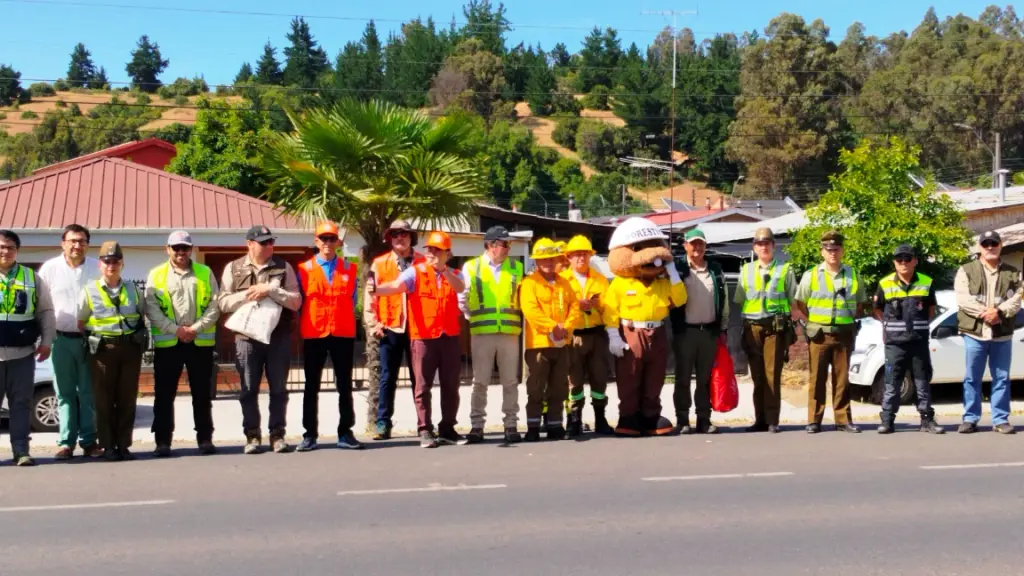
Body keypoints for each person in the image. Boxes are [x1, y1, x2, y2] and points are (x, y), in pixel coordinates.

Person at [372, 231, 466, 448]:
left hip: (449, 336)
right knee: (422, 387)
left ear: (447, 253)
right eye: (429, 249)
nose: (431, 253)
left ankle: (448, 429)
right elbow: (396, 286)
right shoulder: (415, 272)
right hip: (423, 338)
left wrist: (443, 271)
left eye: (437, 250)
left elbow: (460, 288)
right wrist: (376, 290)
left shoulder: (455, 273)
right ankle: (425, 429)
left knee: (451, 386)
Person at [218, 225, 302, 454]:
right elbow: (222, 302)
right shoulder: (233, 268)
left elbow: (296, 301)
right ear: (249, 244)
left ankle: (277, 436)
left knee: (278, 389)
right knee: (248, 389)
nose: (269, 246)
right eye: (264, 242)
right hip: (246, 338)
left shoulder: (284, 267)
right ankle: (252, 436)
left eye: (271, 242)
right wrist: (247, 294)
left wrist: (270, 290)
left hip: (278, 337)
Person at [603, 217, 687, 436]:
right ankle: (629, 417)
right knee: (629, 376)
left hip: (657, 332)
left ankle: (650, 416)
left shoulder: (663, 282)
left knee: (655, 376)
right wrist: (613, 335)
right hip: (631, 332)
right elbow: (611, 309)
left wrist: (674, 273)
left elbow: (680, 300)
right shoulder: (621, 283)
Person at [144, 230, 220, 457]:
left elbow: (216, 305)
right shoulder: (156, 274)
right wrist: (175, 330)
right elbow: (151, 308)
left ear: (191, 249)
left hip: (200, 343)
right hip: (169, 344)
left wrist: (194, 329)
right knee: (164, 395)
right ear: (167, 249)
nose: (180, 252)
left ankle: (205, 439)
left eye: (184, 248)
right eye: (176, 248)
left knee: (202, 395)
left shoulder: (205, 272)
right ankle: (163, 442)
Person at [38, 224, 102, 459]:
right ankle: (66, 442)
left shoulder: (97, 267)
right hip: (60, 340)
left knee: (88, 393)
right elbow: (42, 306)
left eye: (82, 241)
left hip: (89, 340)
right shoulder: (50, 269)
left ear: (88, 244)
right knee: (64, 393)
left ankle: (89, 441)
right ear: (63, 243)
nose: (77, 245)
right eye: (73, 241)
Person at [77, 241, 145, 461]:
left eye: (115, 261)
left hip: (129, 349)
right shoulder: (89, 290)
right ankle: (107, 446)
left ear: (122, 264)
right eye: (107, 261)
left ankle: (124, 445)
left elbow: (142, 315)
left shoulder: (133, 289)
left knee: (127, 399)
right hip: (103, 350)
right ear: (100, 264)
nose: (111, 265)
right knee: (103, 400)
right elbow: (81, 321)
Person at [297, 222, 361, 452]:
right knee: (310, 386)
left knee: (344, 385)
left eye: (331, 238)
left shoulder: (350, 269)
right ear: (316, 242)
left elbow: (353, 299)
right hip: (314, 333)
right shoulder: (304, 269)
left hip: (342, 333)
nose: (327, 243)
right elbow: (299, 303)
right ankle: (309, 435)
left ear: (338, 242)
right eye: (323, 238)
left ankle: (345, 432)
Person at [794, 230, 867, 434]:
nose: (832, 253)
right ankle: (814, 420)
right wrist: (814, 322)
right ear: (822, 252)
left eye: (836, 249)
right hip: (819, 334)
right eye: (828, 249)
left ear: (842, 251)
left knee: (842, 379)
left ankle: (843, 420)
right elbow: (801, 303)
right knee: (816, 378)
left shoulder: (853, 274)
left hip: (844, 333)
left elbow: (860, 303)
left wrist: (847, 319)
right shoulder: (811, 275)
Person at [459, 226, 525, 444]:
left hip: (509, 332)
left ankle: (511, 425)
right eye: (503, 244)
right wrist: (473, 318)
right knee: (480, 381)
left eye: (508, 244)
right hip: (482, 333)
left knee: (510, 381)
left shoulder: (516, 267)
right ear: (490, 245)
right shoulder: (471, 267)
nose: (507, 248)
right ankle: (477, 426)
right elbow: (463, 299)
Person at [954, 230, 1022, 434]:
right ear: (979, 247)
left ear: (1001, 245)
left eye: (994, 243)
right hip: (975, 334)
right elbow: (963, 299)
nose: (990, 247)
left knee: (1001, 378)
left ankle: (1000, 419)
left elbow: (1018, 299)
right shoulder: (966, 270)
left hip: (1002, 334)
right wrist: (987, 313)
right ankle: (970, 419)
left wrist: (999, 312)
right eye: (986, 244)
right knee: (972, 378)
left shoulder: (1013, 272)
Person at [873, 244, 943, 435]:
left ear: (915, 261)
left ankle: (927, 419)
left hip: (918, 341)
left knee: (922, 381)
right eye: (899, 259)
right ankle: (887, 420)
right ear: (894, 262)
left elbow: (930, 310)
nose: (903, 263)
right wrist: (887, 326)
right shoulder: (885, 283)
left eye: (907, 259)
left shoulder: (927, 282)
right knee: (892, 382)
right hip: (895, 343)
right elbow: (877, 308)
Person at [364, 220, 424, 440]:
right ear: (390, 238)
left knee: (420, 379)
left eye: (405, 234)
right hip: (390, 328)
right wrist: (374, 323)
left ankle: (424, 424)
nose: (400, 237)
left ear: (411, 238)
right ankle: (382, 423)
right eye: (396, 234)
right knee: (387, 377)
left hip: (418, 328)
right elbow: (369, 295)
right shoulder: (379, 263)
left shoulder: (423, 262)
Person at [733, 227, 797, 434]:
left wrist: (790, 325)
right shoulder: (746, 270)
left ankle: (772, 420)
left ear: (773, 246)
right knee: (758, 376)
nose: (764, 247)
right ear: (754, 247)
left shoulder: (785, 269)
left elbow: (792, 301)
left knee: (772, 375)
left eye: (767, 243)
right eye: (760, 244)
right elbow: (740, 301)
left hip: (774, 328)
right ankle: (759, 419)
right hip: (752, 328)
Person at [0, 230, 55, 467]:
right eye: (1, 247)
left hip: (22, 353)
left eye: (10, 247)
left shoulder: (31, 278)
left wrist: (46, 341)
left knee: (21, 405)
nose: (5, 251)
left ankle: (21, 451)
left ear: (17, 250)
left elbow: (45, 311)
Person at [521, 239, 581, 441]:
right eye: (543, 259)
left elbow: (575, 307)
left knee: (559, 387)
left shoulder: (565, 283)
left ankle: (555, 426)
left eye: (550, 259)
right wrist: (552, 328)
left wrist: (566, 328)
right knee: (536, 388)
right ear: (537, 262)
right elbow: (531, 311)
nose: (547, 263)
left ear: (557, 260)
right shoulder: (529, 283)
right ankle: (533, 427)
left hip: (561, 344)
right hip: (538, 344)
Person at [670, 229, 728, 435]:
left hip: (709, 332)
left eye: (700, 243)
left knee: (705, 379)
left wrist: (723, 327)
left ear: (705, 245)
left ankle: (704, 419)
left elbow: (724, 299)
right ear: (685, 245)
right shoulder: (677, 268)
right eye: (693, 243)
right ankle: (683, 419)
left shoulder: (714, 268)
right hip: (685, 331)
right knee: (683, 378)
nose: (697, 248)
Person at [560, 235, 613, 437]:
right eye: (577, 255)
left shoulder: (599, 279)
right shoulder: (563, 280)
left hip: (597, 335)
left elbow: (609, 308)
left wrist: (597, 305)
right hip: (573, 335)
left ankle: (600, 419)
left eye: (585, 254)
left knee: (599, 379)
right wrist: (577, 306)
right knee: (574, 379)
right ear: (569, 258)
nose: (581, 258)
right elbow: (557, 308)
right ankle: (574, 420)